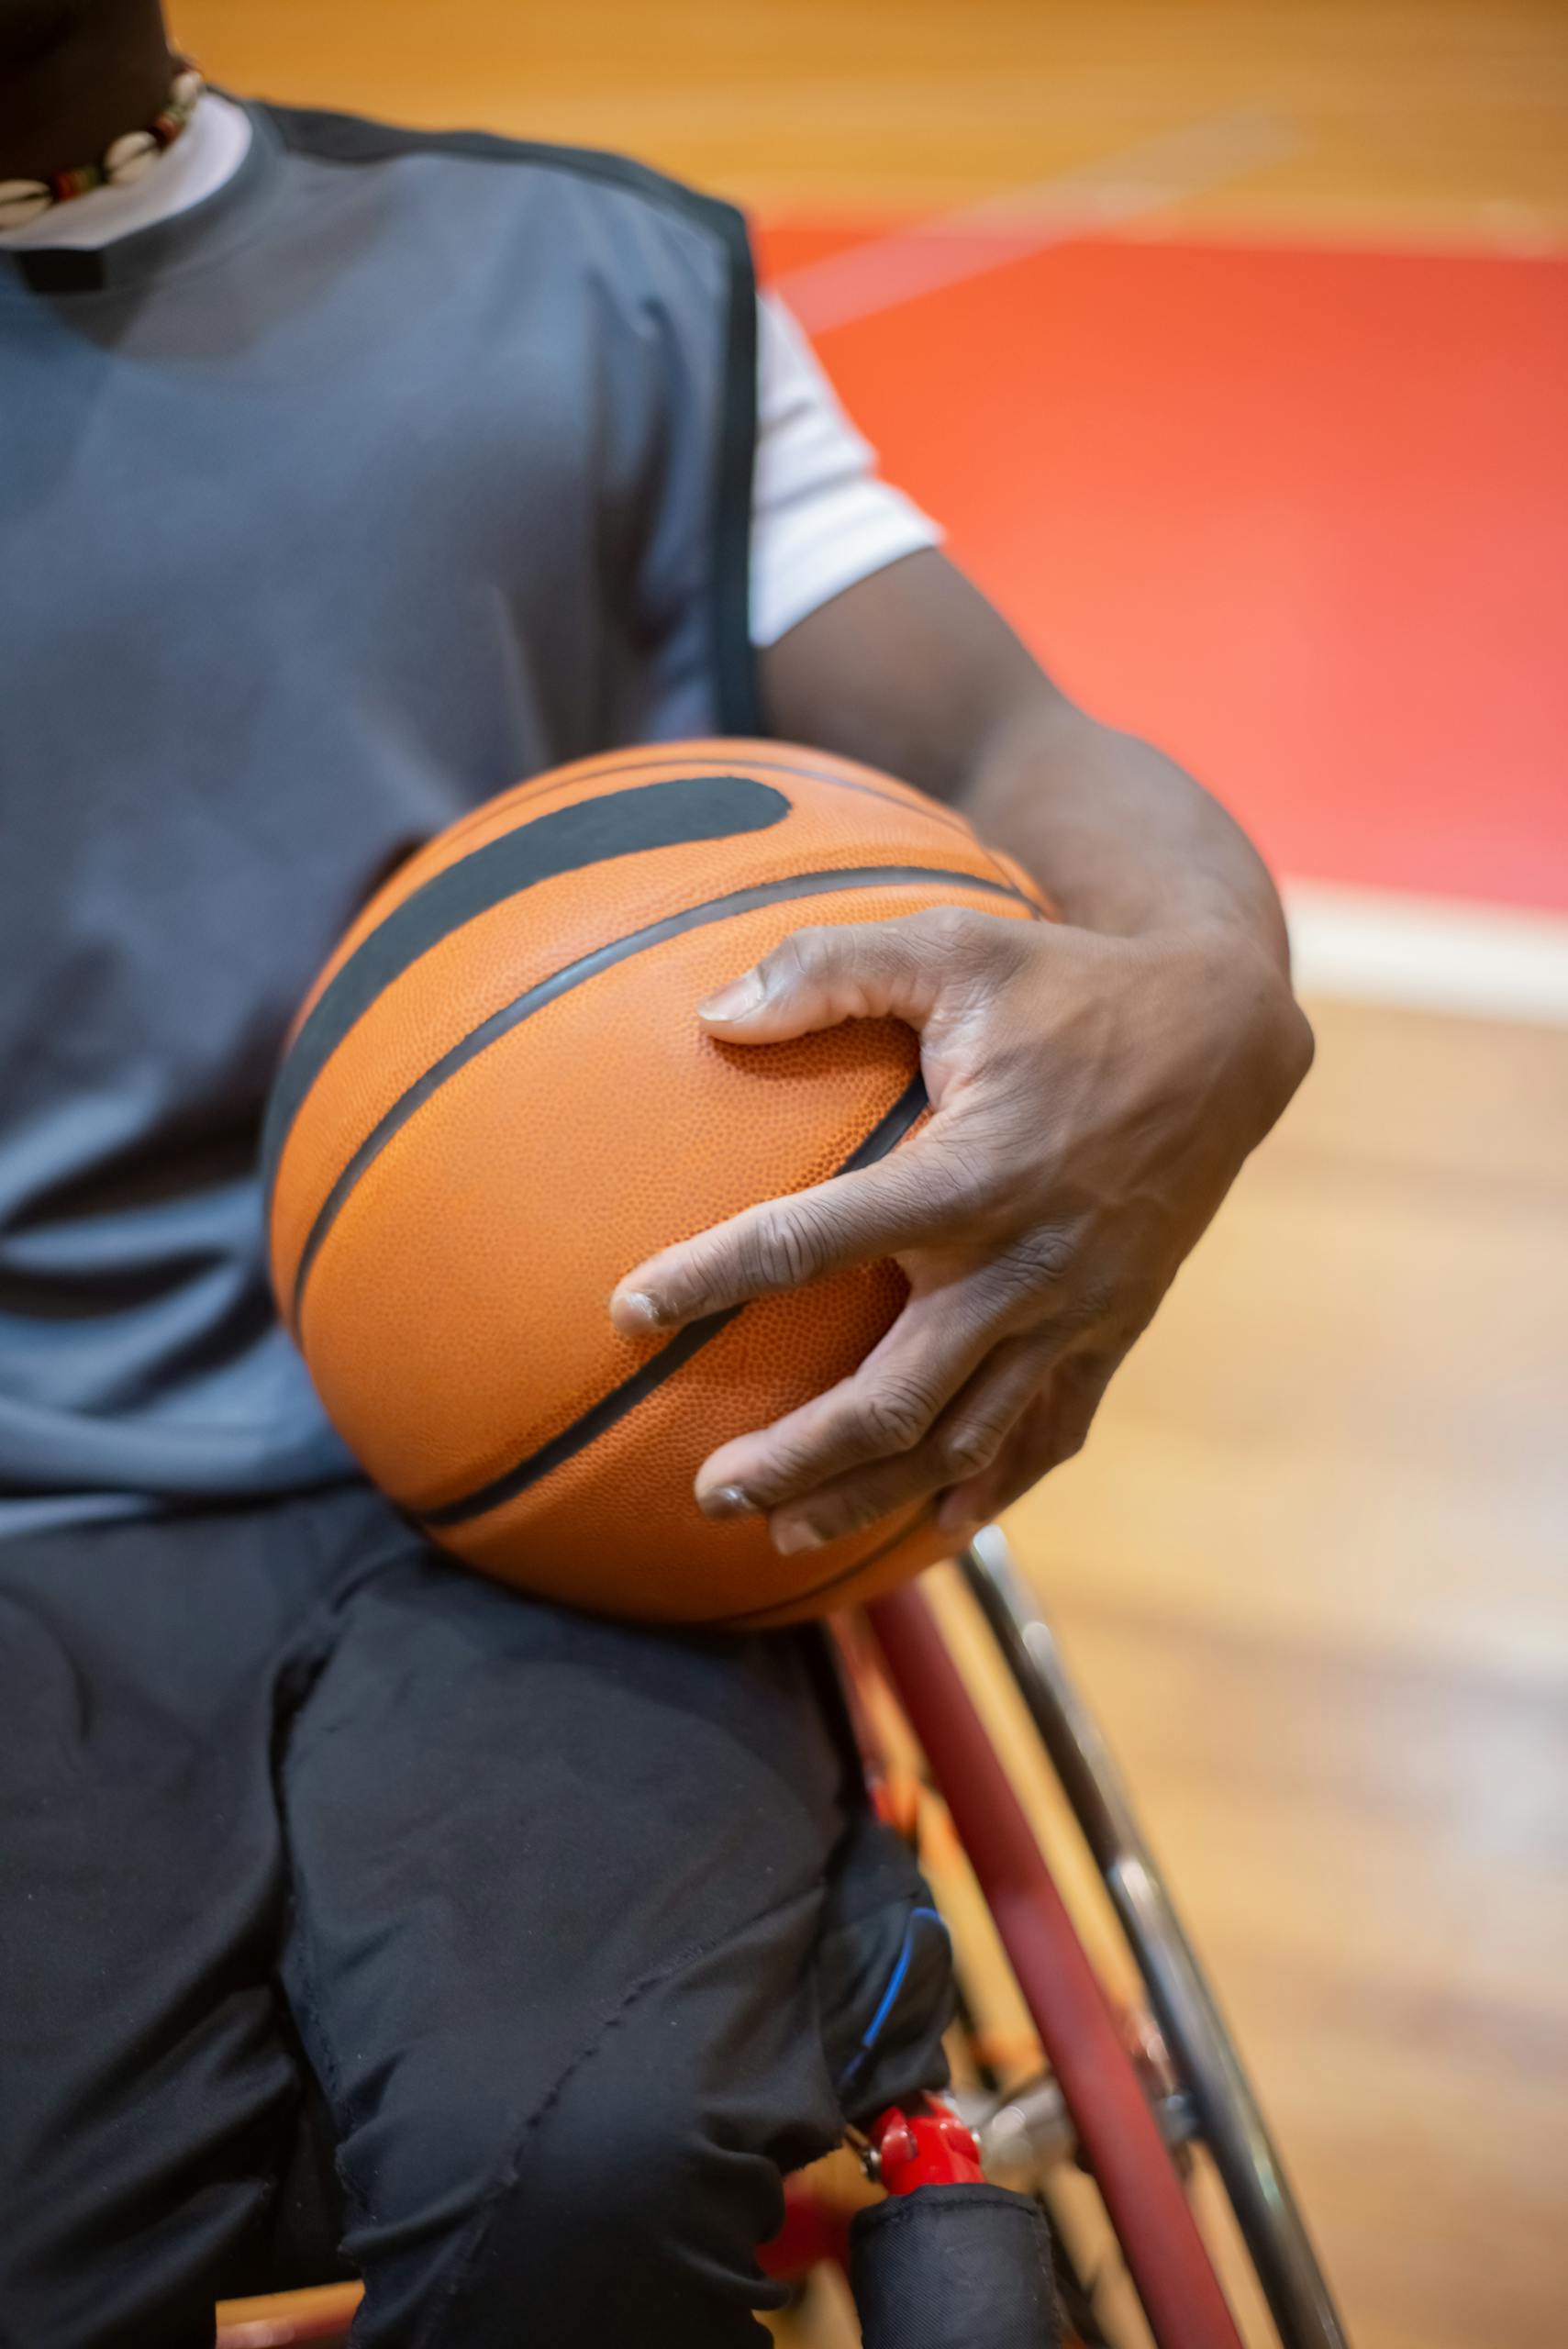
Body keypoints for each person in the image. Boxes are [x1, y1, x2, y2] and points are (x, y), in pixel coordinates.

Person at [0, 6, 1314, 2344]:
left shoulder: (597, 280)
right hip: (26, 1526)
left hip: (580, 1475)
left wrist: (1210, 977)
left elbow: (1005, 734)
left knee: (593, 2168)